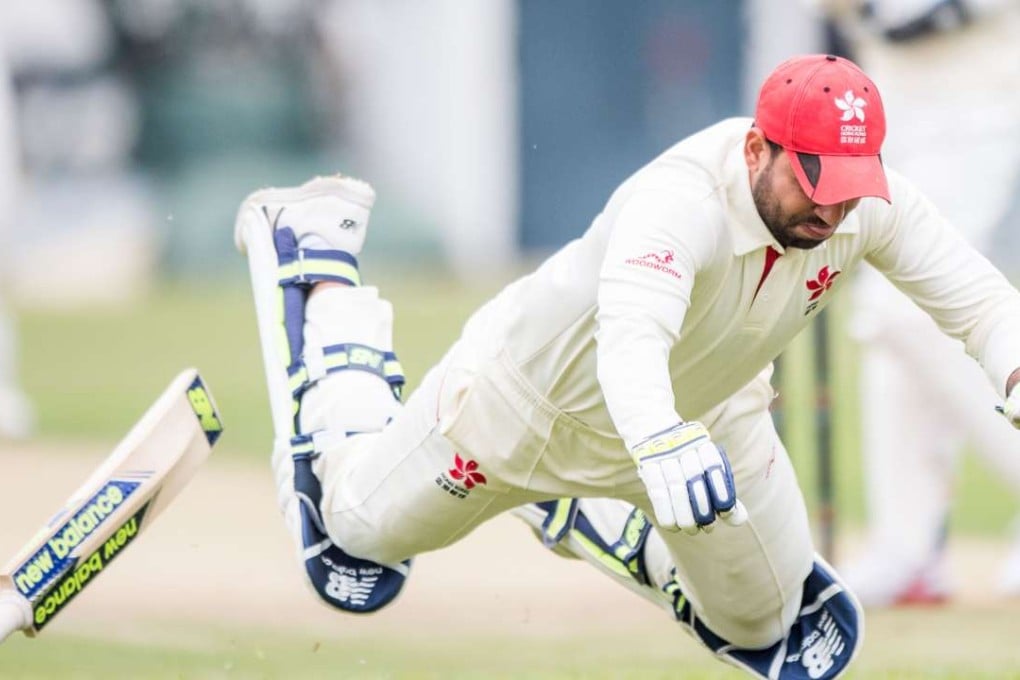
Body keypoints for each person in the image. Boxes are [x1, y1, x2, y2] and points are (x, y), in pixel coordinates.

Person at [235, 54, 1020, 680]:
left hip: (708, 421)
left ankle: (587, 518)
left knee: (765, 628)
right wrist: (657, 440)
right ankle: (321, 267)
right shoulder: (679, 200)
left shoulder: (866, 204)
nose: (834, 211)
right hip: (520, 411)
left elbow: (980, 301)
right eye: (813, 181)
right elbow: (632, 338)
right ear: (757, 148)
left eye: (851, 188)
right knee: (351, 534)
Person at [808, 0, 1020, 605]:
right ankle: (907, 549)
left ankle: (909, 547)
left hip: (979, 101)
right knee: (889, 332)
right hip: (882, 106)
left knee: (902, 311)